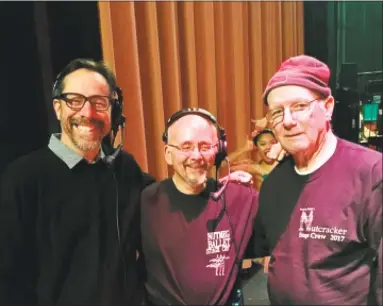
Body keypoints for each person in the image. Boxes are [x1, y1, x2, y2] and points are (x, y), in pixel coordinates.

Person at [0, 58, 155, 305]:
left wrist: (220, 187)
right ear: (58, 108)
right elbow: (7, 281)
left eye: (98, 102)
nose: (87, 112)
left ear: (113, 110)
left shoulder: (125, 168)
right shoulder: (22, 180)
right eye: (74, 100)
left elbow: (169, 200)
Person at [252, 55, 382, 305]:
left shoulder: (370, 173)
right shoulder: (274, 182)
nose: (288, 121)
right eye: (277, 113)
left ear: (328, 106)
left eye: (300, 106)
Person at [140, 108, 260, 305]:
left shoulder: (239, 198)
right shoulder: (145, 202)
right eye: (186, 147)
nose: (196, 156)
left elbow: (287, 221)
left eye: (205, 146)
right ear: (168, 154)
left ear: (219, 151)